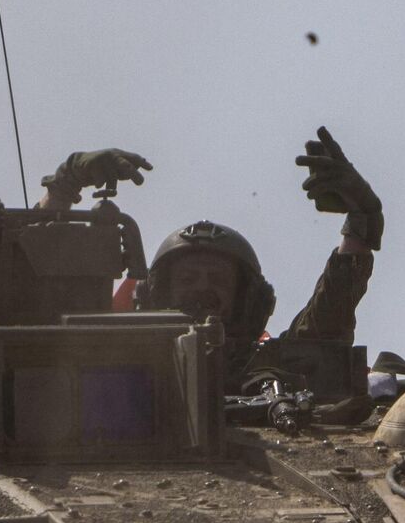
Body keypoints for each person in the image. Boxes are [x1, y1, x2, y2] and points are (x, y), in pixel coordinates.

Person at [36, 128, 381, 424]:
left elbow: (331, 310)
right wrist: (64, 186)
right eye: (187, 279)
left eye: (218, 279)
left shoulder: (270, 367)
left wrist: (362, 218)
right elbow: (34, 300)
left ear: (246, 299)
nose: (202, 288)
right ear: (155, 294)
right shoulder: (112, 361)